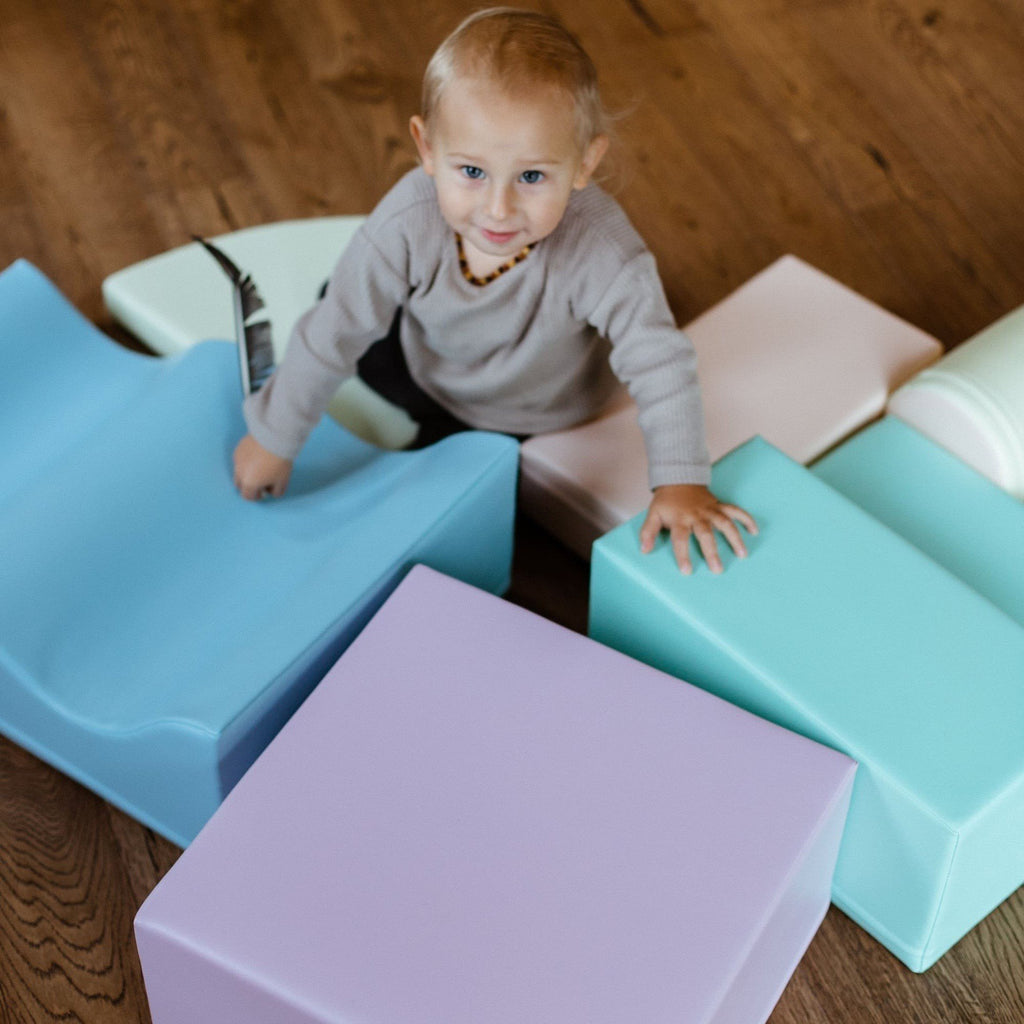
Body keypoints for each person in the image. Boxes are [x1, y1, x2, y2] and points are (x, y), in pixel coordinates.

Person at [234, 6, 756, 574]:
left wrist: (682, 484)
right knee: (338, 301)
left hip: (535, 410)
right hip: (425, 365)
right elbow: (336, 327)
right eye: (472, 172)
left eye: (532, 177)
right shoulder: (408, 219)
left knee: (435, 498)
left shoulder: (604, 251)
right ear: (426, 146)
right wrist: (274, 436)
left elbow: (661, 363)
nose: (499, 209)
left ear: (585, 163)